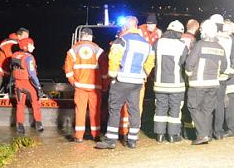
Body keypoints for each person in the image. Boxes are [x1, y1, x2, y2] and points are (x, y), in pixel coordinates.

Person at [96, 17, 155, 149]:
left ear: (125, 27)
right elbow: (150, 61)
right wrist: (144, 74)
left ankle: (110, 140)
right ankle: (132, 139)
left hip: (122, 80)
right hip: (138, 81)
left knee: (114, 108)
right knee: (134, 109)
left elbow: (114, 57)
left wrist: (112, 74)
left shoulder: (122, 40)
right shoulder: (147, 44)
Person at [185, 19, 227, 145]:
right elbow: (224, 67)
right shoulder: (220, 47)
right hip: (214, 84)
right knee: (207, 111)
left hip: (198, 84)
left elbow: (189, 63)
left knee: (193, 107)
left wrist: (189, 74)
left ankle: (203, 135)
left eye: (202, 29)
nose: (200, 31)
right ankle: (205, 135)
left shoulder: (200, 45)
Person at [63, 27, 107, 142]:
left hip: (80, 86)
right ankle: (96, 135)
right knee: (95, 111)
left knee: (80, 111)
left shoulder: (73, 50)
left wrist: (74, 82)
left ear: (81, 36)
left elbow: (68, 69)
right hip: (95, 87)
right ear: (90, 37)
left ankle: (79, 136)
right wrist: (105, 85)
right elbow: (104, 71)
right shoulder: (98, 50)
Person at [152, 20, 188, 143]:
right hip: (176, 84)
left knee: (160, 108)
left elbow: (152, 59)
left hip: (160, 83)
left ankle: (159, 135)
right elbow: (184, 63)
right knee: (175, 108)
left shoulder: (158, 43)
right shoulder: (182, 45)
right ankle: (172, 135)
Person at [11, 37, 43, 134]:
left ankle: (20, 127)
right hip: (28, 84)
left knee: (20, 105)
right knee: (36, 104)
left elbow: (13, 69)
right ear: (26, 46)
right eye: (31, 44)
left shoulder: (15, 55)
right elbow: (32, 74)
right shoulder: (29, 58)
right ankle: (39, 125)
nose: (33, 46)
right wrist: (39, 87)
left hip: (17, 84)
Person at [0, 28, 29, 93]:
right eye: (25, 37)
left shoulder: (18, 44)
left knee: (4, 91)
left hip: (5, 72)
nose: (26, 39)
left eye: (27, 37)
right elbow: (11, 56)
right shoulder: (10, 42)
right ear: (18, 36)